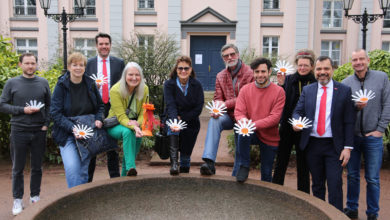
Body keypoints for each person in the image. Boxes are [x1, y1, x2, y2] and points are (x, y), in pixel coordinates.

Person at [292, 56, 355, 211]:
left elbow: (349, 121)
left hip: (335, 146)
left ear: (332, 69)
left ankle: (335, 215)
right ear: (315, 71)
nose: (322, 72)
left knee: (335, 185)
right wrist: (296, 122)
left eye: (326, 68)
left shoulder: (344, 91)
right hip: (312, 144)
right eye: (319, 69)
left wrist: (348, 147)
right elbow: (297, 112)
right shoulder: (308, 90)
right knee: (317, 185)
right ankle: (320, 214)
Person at [0, 53, 51, 215]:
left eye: (33, 63)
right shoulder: (12, 83)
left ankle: (34, 196)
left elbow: (50, 106)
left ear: (36, 64)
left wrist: (45, 125)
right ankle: (17, 199)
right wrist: (22, 110)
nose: (30, 66)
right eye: (27, 63)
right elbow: (2, 105)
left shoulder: (43, 83)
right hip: (19, 130)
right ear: (20, 64)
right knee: (17, 167)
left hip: (38, 131)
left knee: (37, 167)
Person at [342, 49, 390, 220]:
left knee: (372, 178)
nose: (358, 62)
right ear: (351, 62)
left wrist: (380, 130)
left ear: (368, 60)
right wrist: (355, 107)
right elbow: (345, 111)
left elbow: (387, 104)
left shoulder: (381, 78)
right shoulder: (346, 83)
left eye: (361, 59)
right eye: (355, 60)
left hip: (373, 137)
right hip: (353, 137)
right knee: (353, 175)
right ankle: (352, 208)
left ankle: (372, 213)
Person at [51, 52, 105, 188]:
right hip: (67, 133)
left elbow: (100, 106)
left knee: (83, 169)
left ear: (85, 67)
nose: (78, 68)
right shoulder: (61, 86)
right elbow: (55, 113)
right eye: (74, 65)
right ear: (69, 67)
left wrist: (99, 119)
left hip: (87, 133)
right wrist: (72, 128)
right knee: (72, 168)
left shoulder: (90, 84)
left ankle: (81, 200)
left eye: (81, 65)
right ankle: (75, 199)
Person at [200, 44, 253, 176]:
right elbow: (218, 97)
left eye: (232, 54)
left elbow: (245, 98)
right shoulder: (220, 76)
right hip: (229, 115)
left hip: (245, 117)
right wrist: (217, 108)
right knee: (214, 120)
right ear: (223, 59)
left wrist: (224, 104)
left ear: (238, 55)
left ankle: (236, 175)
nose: (230, 57)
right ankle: (209, 161)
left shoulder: (250, 73)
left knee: (240, 146)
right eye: (226, 56)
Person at [234, 57, 285, 183]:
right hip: (252, 133)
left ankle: (266, 198)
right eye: (257, 72)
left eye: (263, 71)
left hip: (269, 136)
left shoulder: (279, 91)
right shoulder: (245, 89)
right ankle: (244, 165)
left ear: (269, 72)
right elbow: (239, 112)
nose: (260, 75)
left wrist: (251, 124)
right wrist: (244, 122)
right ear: (253, 73)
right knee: (242, 131)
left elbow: (275, 118)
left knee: (266, 173)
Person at [272, 49, 317, 193]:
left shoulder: (315, 82)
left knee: (303, 164)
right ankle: (276, 190)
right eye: (300, 65)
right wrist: (280, 85)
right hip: (287, 126)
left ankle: (303, 194)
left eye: (306, 65)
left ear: (312, 66)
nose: (302, 68)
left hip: (306, 128)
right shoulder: (289, 79)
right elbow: (281, 99)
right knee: (281, 161)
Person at [86, 33, 125, 182]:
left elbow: (123, 85)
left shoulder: (119, 63)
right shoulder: (88, 64)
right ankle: (88, 181)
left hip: (112, 108)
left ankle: (114, 179)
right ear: (96, 46)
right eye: (101, 44)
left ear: (110, 45)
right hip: (94, 108)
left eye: (106, 44)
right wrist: (92, 88)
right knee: (92, 144)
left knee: (112, 144)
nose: (104, 46)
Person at [106, 62, 149, 176]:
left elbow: (144, 113)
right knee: (128, 132)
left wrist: (138, 124)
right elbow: (121, 117)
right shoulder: (115, 90)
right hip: (115, 124)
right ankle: (131, 167)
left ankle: (126, 176)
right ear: (125, 76)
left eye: (137, 75)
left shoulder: (144, 89)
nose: (134, 78)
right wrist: (134, 126)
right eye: (130, 74)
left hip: (136, 125)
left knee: (135, 138)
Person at [164, 56, 204, 175]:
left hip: (191, 121)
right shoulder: (169, 84)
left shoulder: (197, 85)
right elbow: (170, 105)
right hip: (173, 117)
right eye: (180, 68)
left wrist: (184, 118)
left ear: (191, 69)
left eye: (186, 68)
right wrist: (176, 120)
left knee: (186, 155)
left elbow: (198, 107)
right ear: (176, 69)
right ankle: (174, 164)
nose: (183, 71)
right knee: (174, 128)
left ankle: (185, 168)